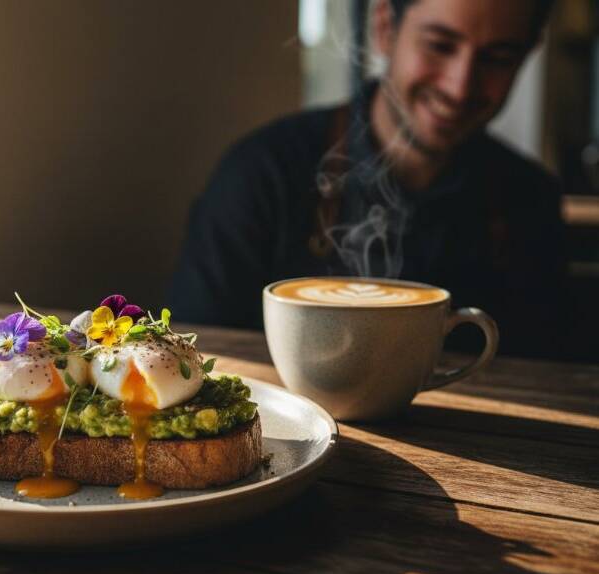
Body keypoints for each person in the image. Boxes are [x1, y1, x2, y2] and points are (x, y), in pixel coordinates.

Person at [169, 0, 571, 360]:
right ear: (384, 27)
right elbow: (196, 350)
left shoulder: (530, 199)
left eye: (497, 58)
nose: (459, 85)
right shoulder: (263, 173)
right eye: (439, 45)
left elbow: (550, 372)